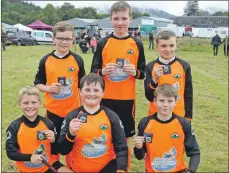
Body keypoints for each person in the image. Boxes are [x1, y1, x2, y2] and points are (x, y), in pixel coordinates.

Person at [90, 1, 146, 170]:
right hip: (105, 98)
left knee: (124, 138)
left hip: (126, 99)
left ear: (130, 19)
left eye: (124, 18)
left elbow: (143, 73)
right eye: (116, 18)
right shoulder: (103, 43)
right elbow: (93, 71)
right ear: (111, 20)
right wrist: (104, 71)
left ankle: (123, 168)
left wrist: (134, 71)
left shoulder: (137, 43)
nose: (120, 22)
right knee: (104, 135)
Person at [34, 21, 85, 165]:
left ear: (73, 40)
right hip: (53, 112)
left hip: (73, 112)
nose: (64, 42)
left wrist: (83, 109)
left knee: (73, 143)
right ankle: (54, 167)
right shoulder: (46, 60)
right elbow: (37, 84)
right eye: (60, 38)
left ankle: (71, 167)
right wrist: (48, 88)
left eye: (68, 39)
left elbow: (81, 86)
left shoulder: (77, 60)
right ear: (54, 39)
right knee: (53, 145)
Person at [58, 73, 128, 173]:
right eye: (87, 90)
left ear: (103, 93)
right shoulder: (71, 117)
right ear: (80, 92)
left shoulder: (112, 117)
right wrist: (71, 134)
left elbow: (121, 147)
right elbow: (63, 150)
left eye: (96, 90)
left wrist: (121, 170)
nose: (91, 94)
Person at [134, 84, 200, 173]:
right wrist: (138, 148)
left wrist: (190, 171)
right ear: (155, 101)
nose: (165, 105)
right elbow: (139, 156)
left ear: (175, 102)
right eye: (161, 100)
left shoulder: (183, 124)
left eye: (170, 101)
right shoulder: (145, 123)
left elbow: (195, 153)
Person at [5, 86, 72, 173]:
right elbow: (11, 153)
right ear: (19, 104)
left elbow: (56, 151)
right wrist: (30, 157)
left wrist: (54, 140)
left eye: (34, 102)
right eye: (25, 103)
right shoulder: (14, 127)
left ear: (40, 103)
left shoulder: (49, 124)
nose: (30, 106)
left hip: (49, 165)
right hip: (27, 169)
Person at [144, 30, 193, 121]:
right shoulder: (150, 67)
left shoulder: (184, 66)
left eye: (171, 45)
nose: (167, 49)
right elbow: (149, 96)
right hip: (156, 115)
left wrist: (188, 118)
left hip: (178, 115)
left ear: (176, 46)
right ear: (157, 47)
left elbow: (188, 94)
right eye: (163, 46)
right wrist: (154, 80)